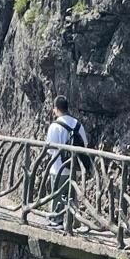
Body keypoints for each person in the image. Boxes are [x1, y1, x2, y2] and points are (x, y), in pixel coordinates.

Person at [45, 95, 88, 226]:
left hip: (58, 167)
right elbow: (84, 144)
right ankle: (74, 221)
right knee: (71, 195)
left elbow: (50, 149)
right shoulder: (77, 124)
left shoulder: (54, 126)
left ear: (56, 109)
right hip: (74, 168)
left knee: (56, 194)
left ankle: (56, 219)